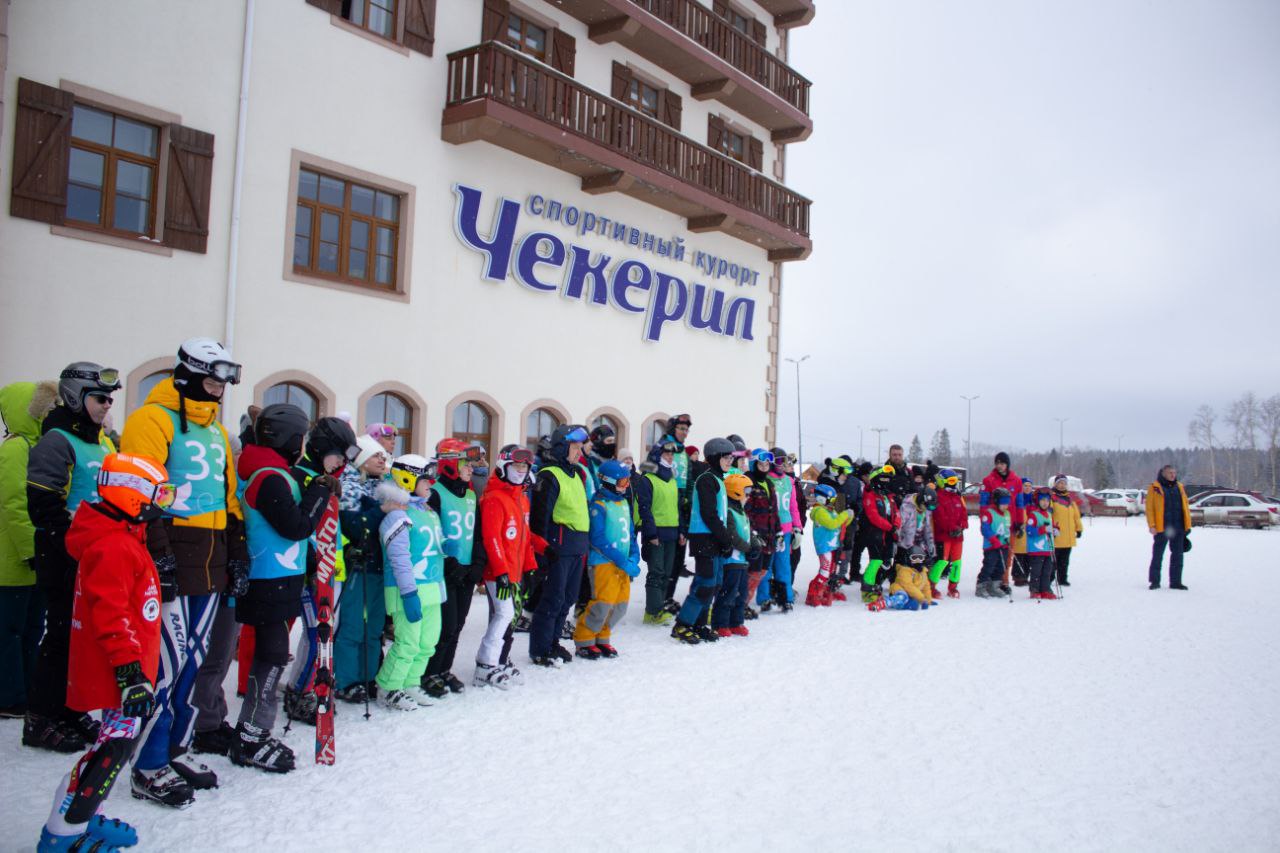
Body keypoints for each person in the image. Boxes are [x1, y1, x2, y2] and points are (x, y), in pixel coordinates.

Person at [119, 340, 247, 803]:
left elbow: (229, 498)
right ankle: (148, 763)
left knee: (192, 659)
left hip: (211, 560)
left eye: (222, 383)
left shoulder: (216, 431)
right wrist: (160, 555)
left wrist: (237, 551)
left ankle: (174, 748)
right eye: (211, 381)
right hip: (171, 555)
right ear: (188, 375)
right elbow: (140, 492)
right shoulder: (151, 420)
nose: (218, 390)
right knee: (166, 664)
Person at [36, 453, 172, 852]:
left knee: (113, 746)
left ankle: (81, 816)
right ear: (133, 495)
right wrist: (130, 675)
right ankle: (63, 834)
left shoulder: (125, 535)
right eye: (159, 493)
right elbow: (111, 617)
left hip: (127, 666)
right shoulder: (113, 546)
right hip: (120, 671)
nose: (163, 502)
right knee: (111, 752)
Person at [230, 404, 333, 773]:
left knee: (272, 654)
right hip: (268, 578)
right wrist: (319, 493)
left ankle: (252, 731)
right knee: (273, 655)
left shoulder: (274, 473)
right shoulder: (269, 476)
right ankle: (252, 735)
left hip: (280, 575)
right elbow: (296, 526)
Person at [25, 363, 120, 754]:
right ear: (74, 397)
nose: (107, 405)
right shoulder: (57, 441)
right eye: (99, 398)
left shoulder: (104, 443)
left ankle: (69, 709)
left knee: (83, 639)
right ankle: (40, 718)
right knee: (61, 635)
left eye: (110, 399)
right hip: (64, 554)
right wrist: (71, 542)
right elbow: (43, 504)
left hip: (99, 555)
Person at [281, 417, 359, 724]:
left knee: (327, 633)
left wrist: (347, 546)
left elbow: (331, 523)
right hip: (309, 570)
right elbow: (300, 523)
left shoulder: (326, 479)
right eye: (338, 455)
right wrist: (310, 560)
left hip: (330, 568)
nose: (341, 463)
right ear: (320, 447)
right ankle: (298, 693)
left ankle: (315, 684)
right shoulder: (300, 477)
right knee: (317, 633)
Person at [0, 379, 56, 719]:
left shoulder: (40, 445)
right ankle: (9, 696)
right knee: (10, 631)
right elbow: (14, 503)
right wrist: (31, 549)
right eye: (44, 408)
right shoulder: (15, 448)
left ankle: (26, 689)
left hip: (36, 556)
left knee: (33, 627)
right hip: (13, 560)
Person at [376, 454, 446, 709]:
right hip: (408, 589)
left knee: (428, 642)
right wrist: (408, 593)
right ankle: (389, 686)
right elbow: (399, 558)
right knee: (408, 643)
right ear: (408, 479)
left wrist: (446, 547)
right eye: (426, 479)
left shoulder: (427, 511)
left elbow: (432, 546)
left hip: (432, 587)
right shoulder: (397, 515)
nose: (431, 484)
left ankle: (410, 682)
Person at [475, 446, 541, 689]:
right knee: (503, 614)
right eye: (516, 466)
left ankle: (500, 659)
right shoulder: (494, 498)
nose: (520, 471)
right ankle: (486, 663)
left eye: (524, 467)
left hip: (515, 571)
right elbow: (491, 538)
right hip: (499, 572)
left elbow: (524, 539)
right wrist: (501, 572)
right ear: (504, 467)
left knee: (510, 617)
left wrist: (530, 568)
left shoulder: (521, 499)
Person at [333, 436, 390, 704]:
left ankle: (369, 676)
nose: (382, 459)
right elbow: (355, 527)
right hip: (358, 566)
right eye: (376, 455)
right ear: (361, 459)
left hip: (379, 566)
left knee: (374, 628)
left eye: (383, 456)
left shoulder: (384, 487)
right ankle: (346, 680)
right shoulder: (349, 487)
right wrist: (380, 511)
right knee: (353, 626)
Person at [528, 424, 591, 667]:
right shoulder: (549, 475)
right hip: (558, 547)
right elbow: (540, 517)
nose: (579, 452)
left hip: (577, 546)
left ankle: (553, 642)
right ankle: (541, 648)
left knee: (568, 598)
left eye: (580, 447)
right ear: (562, 448)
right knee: (553, 598)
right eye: (575, 448)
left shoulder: (577, 474)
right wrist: (543, 551)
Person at [421, 438, 480, 697]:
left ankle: (445, 669)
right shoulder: (435, 493)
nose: (471, 468)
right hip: (445, 571)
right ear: (450, 464)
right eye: (466, 463)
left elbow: (477, 533)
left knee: (458, 626)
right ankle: (429, 671)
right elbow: (432, 531)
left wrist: (477, 563)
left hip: (466, 570)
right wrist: (449, 563)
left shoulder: (470, 494)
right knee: (445, 625)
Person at [671, 437, 736, 644]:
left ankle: (699, 624)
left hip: (713, 538)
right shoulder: (707, 479)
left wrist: (724, 539)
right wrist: (725, 538)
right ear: (715, 458)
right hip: (704, 538)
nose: (730, 461)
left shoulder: (718, 479)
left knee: (714, 584)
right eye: (726, 458)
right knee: (705, 583)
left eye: (731, 458)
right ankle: (683, 624)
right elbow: (709, 514)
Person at [574, 460, 639, 658]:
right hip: (603, 562)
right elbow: (597, 538)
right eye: (622, 482)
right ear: (609, 481)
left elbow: (630, 533)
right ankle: (585, 638)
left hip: (622, 564)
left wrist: (634, 556)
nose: (626, 486)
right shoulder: (599, 504)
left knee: (620, 605)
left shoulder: (623, 503)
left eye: (627, 481)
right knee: (603, 603)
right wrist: (621, 559)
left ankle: (602, 636)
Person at [633, 439, 682, 626]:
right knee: (656, 572)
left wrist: (681, 530)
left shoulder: (672, 479)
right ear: (656, 455)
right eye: (666, 453)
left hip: (672, 532)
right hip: (656, 534)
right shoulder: (648, 479)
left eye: (672, 454)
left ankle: (658, 607)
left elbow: (676, 507)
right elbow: (644, 508)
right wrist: (651, 534)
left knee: (666, 573)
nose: (670, 457)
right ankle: (652, 612)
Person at [711, 472, 755, 635]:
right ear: (736, 491)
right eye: (746, 491)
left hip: (742, 561)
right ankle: (720, 623)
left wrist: (755, 544)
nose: (749, 496)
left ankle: (736, 622)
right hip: (731, 561)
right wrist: (748, 548)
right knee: (728, 593)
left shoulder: (742, 512)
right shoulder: (729, 511)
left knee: (741, 594)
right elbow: (732, 536)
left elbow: (747, 532)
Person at [758, 446, 801, 612]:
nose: (782, 464)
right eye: (778, 461)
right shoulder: (766, 479)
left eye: (785, 461)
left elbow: (793, 507)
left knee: (784, 565)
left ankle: (786, 598)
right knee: (766, 566)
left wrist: (797, 528)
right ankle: (765, 597)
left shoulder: (789, 481)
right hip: (768, 530)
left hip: (785, 530)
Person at [742, 449, 779, 619]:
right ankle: (740, 604)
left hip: (769, 536)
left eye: (766, 465)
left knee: (762, 570)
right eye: (761, 464)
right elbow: (745, 511)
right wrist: (752, 532)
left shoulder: (769, 483)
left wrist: (779, 531)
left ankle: (743, 603)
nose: (764, 468)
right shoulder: (748, 482)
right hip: (755, 536)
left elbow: (774, 511)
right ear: (753, 464)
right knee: (752, 571)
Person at [980, 452, 1023, 593]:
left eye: (1002, 463)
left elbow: (1019, 503)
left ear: (1007, 464)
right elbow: (984, 503)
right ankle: (988, 581)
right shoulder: (988, 480)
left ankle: (1003, 581)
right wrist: (984, 520)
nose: (999, 466)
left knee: (1007, 555)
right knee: (992, 555)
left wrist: (1020, 522)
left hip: (1010, 523)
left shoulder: (1016, 481)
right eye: (997, 463)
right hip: (994, 523)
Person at [805, 484, 853, 607]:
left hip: (833, 545)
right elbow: (832, 524)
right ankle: (813, 594)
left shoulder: (829, 510)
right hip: (824, 546)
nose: (833, 502)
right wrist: (844, 515)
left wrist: (849, 517)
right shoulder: (819, 511)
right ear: (822, 498)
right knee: (825, 571)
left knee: (831, 571)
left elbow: (840, 524)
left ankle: (825, 591)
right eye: (831, 499)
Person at [858, 466, 900, 604]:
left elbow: (896, 512)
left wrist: (896, 525)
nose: (886, 482)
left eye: (888, 479)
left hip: (889, 534)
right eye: (884, 479)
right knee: (876, 560)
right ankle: (867, 588)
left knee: (887, 562)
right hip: (874, 533)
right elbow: (873, 516)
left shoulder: (889, 496)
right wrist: (890, 527)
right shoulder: (870, 494)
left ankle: (877, 583)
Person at [1145, 465, 1191, 590]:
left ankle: (1176, 582)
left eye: (1174, 472)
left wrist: (1187, 525)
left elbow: (1185, 506)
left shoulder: (1179, 487)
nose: (1173, 475)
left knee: (1178, 556)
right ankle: (1155, 581)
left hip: (1178, 527)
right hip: (1162, 528)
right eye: (1170, 472)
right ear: (1163, 473)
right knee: (1158, 555)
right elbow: (1149, 509)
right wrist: (1152, 525)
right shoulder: (1154, 488)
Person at [928, 468, 968, 598]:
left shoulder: (957, 497)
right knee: (942, 561)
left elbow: (963, 513)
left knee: (957, 562)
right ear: (942, 482)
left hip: (958, 536)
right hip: (944, 536)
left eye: (955, 481)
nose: (953, 484)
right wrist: (952, 528)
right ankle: (931, 586)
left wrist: (962, 526)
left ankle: (953, 587)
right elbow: (940, 517)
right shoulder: (938, 496)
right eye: (951, 481)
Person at [897, 487, 938, 602]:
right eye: (926, 506)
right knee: (904, 569)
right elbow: (899, 525)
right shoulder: (907, 507)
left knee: (921, 568)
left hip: (919, 542)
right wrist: (898, 543)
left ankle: (919, 590)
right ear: (921, 501)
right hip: (905, 543)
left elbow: (928, 529)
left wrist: (930, 546)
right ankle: (901, 590)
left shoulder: (926, 510)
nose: (927, 509)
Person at [976, 487, 1013, 598]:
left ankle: (994, 586)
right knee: (989, 565)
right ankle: (981, 586)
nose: (1005, 505)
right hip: (991, 546)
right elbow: (985, 529)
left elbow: (1007, 528)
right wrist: (993, 539)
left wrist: (1007, 539)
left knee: (1001, 566)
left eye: (1007, 503)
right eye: (1003, 503)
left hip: (1003, 545)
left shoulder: (1007, 514)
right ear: (996, 501)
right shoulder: (989, 513)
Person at [1024, 488, 1058, 600]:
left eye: (1047, 501)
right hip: (1036, 549)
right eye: (1042, 500)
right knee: (1036, 571)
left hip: (1048, 548)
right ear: (1038, 501)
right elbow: (1029, 531)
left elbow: (1052, 527)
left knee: (1047, 571)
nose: (1045, 503)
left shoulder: (1049, 514)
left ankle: (1045, 589)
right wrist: (1043, 529)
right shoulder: (1033, 515)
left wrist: (1055, 530)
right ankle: (1034, 590)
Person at [1049, 474, 1083, 587]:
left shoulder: (1070, 499)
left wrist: (1079, 529)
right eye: (1060, 483)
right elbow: (1048, 515)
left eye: (1064, 483)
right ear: (1055, 484)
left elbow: (1076, 516)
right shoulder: (1051, 498)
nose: (1062, 485)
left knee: (1064, 561)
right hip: (1057, 535)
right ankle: (1049, 578)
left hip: (1068, 536)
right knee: (1053, 561)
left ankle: (1062, 578)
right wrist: (1050, 529)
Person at [1009, 478, 1035, 586]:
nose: (1027, 488)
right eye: (1025, 485)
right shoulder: (1018, 499)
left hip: (1031, 532)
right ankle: (1018, 577)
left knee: (1028, 555)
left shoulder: (1034, 500)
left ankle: (1025, 576)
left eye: (1029, 486)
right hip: (1020, 530)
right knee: (1019, 554)